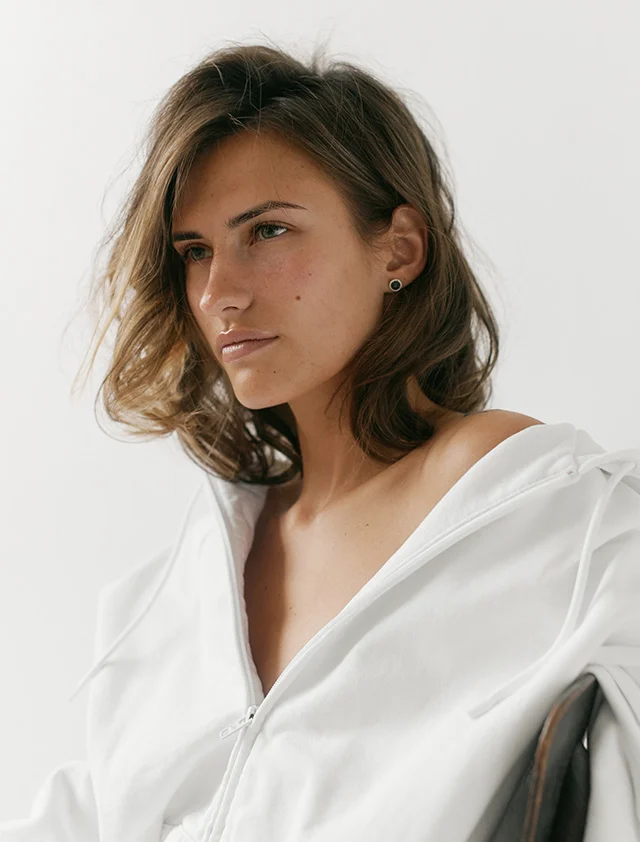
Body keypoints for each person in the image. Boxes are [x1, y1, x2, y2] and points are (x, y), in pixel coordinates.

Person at [2, 40, 640, 842]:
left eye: (266, 232)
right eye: (195, 251)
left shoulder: (539, 508)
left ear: (399, 250)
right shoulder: (174, 593)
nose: (218, 292)